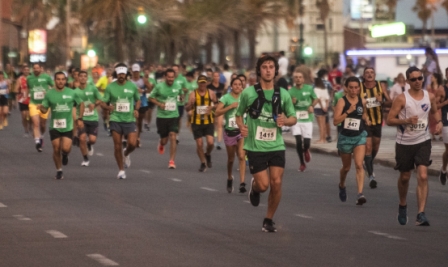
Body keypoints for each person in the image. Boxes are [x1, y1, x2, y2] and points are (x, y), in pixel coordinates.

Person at [235, 55, 297, 233]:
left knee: (276, 183)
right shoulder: (248, 93)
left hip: (276, 145)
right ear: (259, 70)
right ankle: (255, 188)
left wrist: (285, 120)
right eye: (265, 67)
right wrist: (241, 127)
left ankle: (268, 219)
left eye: (271, 67)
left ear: (275, 71)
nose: (268, 70)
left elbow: (293, 118)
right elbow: (238, 114)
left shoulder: (283, 94)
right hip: (255, 146)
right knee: (264, 185)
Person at [386, 66, 442, 226]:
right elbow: (390, 119)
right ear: (408, 81)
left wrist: (438, 122)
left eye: (420, 78)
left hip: (423, 141)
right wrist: (406, 121)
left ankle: (421, 213)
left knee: (423, 175)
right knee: (405, 177)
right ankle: (402, 204)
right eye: (414, 79)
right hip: (404, 143)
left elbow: (434, 110)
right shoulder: (402, 99)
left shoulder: (429, 96)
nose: (417, 81)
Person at [38, 72, 84, 179]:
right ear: (54, 80)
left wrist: (80, 118)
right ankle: (59, 170)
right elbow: (45, 110)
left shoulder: (71, 93)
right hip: (54, 125)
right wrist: (41, 108)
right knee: (56, 148)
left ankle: (65, 155)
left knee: (66, 148)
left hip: (67, 125)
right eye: (58, 79)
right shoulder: (49, 93)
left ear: (66, 80)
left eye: (63, 79)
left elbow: (81, 104)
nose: (60, 81)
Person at [334, 76, 370, 205]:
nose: (354, 90)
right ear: (346, 88)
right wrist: (348, 112)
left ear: (359, 88)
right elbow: (335, 121)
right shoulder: (342, 102)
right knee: (346, 167)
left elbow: (363, 113)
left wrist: (366, 119)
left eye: (356, 87)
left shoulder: (362, 101)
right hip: (345, 138)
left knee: (359, 165)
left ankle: (360, 194)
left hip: (359, 136)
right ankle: (342, 184)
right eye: (351, 88)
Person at [100, 63, 140, 179]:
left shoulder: (132, 86)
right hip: (115, 119)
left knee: (132, 144)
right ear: (116, 74)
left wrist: (137, 109)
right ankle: (121, 170)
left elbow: (137, 100)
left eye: (123, 73)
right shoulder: (110, 87)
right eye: (119, 73)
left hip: (129, 119)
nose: (121, 75)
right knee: (117, 146)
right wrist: (107, 107)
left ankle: (126, 153)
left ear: (126, 73)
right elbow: (103, 102)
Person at [360, 67, 391, 189]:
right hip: (365, 121)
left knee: (375, 147)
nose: (369, 74)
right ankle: (371, 175)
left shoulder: (381, 87)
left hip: (378, 121)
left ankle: (368, 164)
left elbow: (391, 102)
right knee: (368, 146)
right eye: (367, 73)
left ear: (375, 75)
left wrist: (382, 101)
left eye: (371, 73)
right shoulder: (359, 88)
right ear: (363, 75)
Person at [215, 78, 246, 193]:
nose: (238, 86)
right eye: (235, 84)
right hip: (229, 132)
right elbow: (217, 112)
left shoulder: (245, 97)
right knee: (231, 159)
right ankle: (229, 177)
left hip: (241, 131)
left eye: (240, 84)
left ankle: (242, 183)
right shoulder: (226, 98)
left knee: (242, 156)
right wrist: (230, 107)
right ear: (231, 86)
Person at [149, 68, 184, 169]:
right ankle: (161, 143)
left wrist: (181, 99)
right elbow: (151, 97)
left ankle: (172, 161)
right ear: (165, 77)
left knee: (173, 135)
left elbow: (181, 95)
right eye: (169, 77)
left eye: (172, 77)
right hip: (162, 116)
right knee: (165, 140)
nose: (170, 79)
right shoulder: (159, 86)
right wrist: (159, 104)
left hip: (173, 115)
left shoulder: (178, 86)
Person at [185, 75, 218, 172]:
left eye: (204, 82)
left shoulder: (211, 93)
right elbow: (187, 108)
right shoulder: (193, 94)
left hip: (208, 121)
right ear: (198, 83)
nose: (202, 84)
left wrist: (211, 108)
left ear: (206, 83)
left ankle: (207, 154)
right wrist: (190, 104)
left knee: (210, 143)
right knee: (199, 144)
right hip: (196, 122)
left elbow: (217, 104)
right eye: (200, 83)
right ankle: (203, 162)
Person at [288, 70, 318, 172]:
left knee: (306, 142)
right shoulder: (290, 91)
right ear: (294, 79)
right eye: (296, 77)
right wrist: (291, 103)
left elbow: (315, 99)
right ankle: (302, 163)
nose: (298, 79)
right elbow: (287, 106)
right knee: (298, 141)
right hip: (296, 119)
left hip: (307, 118)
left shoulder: (309, 89)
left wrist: (311, 106)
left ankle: (306, 150)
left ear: (303, 79)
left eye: (300, 77)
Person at [75, 71, 103, 166]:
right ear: (78, 78)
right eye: (81, 76)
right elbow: (73, 106)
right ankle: (85, 159)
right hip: (82, 118)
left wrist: (94, 104)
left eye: (84, 76)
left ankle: (89, 145)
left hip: (93, 118)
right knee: (82, 138)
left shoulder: (93, 88)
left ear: (87, 78)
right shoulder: (75, 92)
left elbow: (100, 99)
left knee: (92, 140)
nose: (83, 78)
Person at [27, 62, 54, 152]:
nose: (36, 70)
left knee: (42, 124)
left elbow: (54, 86)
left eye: (37, 68)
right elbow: (28, 88)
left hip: (44, 104)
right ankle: (37, 142)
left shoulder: (46, 77)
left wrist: (49, 92)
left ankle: (41, 136)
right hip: (33, 103)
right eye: (34, 68)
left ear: (41, 68)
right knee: (36, 123)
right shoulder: (29, 78)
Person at [130, 64, 151, 147]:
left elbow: (150, 89)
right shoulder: (129, 81)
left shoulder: (143, 80)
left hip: (142, 102)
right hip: (132, 103)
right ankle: (134, 138)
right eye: (134, 71)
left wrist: (143, 90)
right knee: (134, 121)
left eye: (137, 71)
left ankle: (138, 137)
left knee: (139, 122)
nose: (135, 73)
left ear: (139, 71)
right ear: (132, 71)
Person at [15, 65, 32, 136]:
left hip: (31, 99)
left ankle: (31, 125)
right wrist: (20, 91)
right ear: (23, 71)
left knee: (30, 115)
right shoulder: (20, 79)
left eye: (28, 70)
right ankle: (26, 130)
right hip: (22, 99)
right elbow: (15, 89)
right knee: (24, 116)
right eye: (25, 70)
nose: (26, 71)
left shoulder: (32, 79)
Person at [438, 70, 448, 185]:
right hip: (446, 122)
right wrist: (445, 102)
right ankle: (444, 169)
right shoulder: (442, 89)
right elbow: (435, 106)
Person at [313, 77, 330, 144]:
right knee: (324, 124)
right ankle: (324, 139)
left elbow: (318, 99)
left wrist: (322, 107)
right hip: (325, 107)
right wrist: (326, 106)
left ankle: (321, 139)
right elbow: (327, 99)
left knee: (320, 125)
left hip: (318, 107)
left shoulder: (316, 89)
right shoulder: (324, 89)